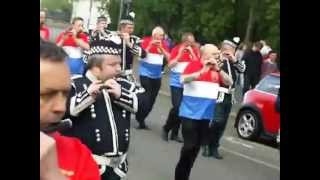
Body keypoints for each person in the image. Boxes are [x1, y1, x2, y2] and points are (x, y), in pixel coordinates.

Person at [61, 33, 139, 180]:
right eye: (113, 64)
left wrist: (121, 95)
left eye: (119, 63)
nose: (119, 69)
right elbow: (62, 113)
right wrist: (87, 96)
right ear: (96, 68)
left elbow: (145, 105)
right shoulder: (76, 84)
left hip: (119, 170)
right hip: (88, 168)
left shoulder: (123, 85)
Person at [40, 40, 100, 180]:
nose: (61, 108)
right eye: (46, 95)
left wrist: (53, 175)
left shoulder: (79, 155)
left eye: (65, 94)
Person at [175, 44, 233, 180]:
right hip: (189, 113)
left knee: (195, 149)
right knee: (189, 146)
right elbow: (182, 79)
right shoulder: (193, 65)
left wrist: (218, 70)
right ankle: (180, 176)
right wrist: (202, 72)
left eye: (218, 54)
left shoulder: (217, 70)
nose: (217, 56)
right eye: (214, 54)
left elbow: (229, 82)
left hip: (205, 116)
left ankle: (185, 175)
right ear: (205, 55)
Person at [202, 38, 246, 159]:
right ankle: (206, 143)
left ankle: (214, 146)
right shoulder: (217, 59)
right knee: (216, 120)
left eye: (233, 50)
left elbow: (242, 70)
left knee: (223, 123)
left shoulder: (234, 62)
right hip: (218, 93)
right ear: (223, 49)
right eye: (229, 50)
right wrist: (221, 58)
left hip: (229, 95)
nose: (231, 52)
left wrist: (234, 60)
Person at [161, 32, 200, 143]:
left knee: (183, 110)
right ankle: (166, 128)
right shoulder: (176, 49)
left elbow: (198, 64)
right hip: (176, 83)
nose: (191, 45)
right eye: (190, 43)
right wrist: (179, 56)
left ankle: (175, 133)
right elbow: (170, 65)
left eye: (193, 43)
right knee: (177, 107)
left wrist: (192, 53)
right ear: (185, 41)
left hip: (188, 84)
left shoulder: (195, 50)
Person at [135, 26, 170, 129]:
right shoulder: (146, 41)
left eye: (163, 35)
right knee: (147, 97)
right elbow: (140, 56)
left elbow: (169, 58)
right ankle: (140, 118)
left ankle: (142, 118)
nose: (162, 37)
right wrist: (150, 46)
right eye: (161, 35)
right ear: (154, 35)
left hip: (157, 76)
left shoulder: (164, 44)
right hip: (145, 74)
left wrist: (161, 48)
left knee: (152, 100)